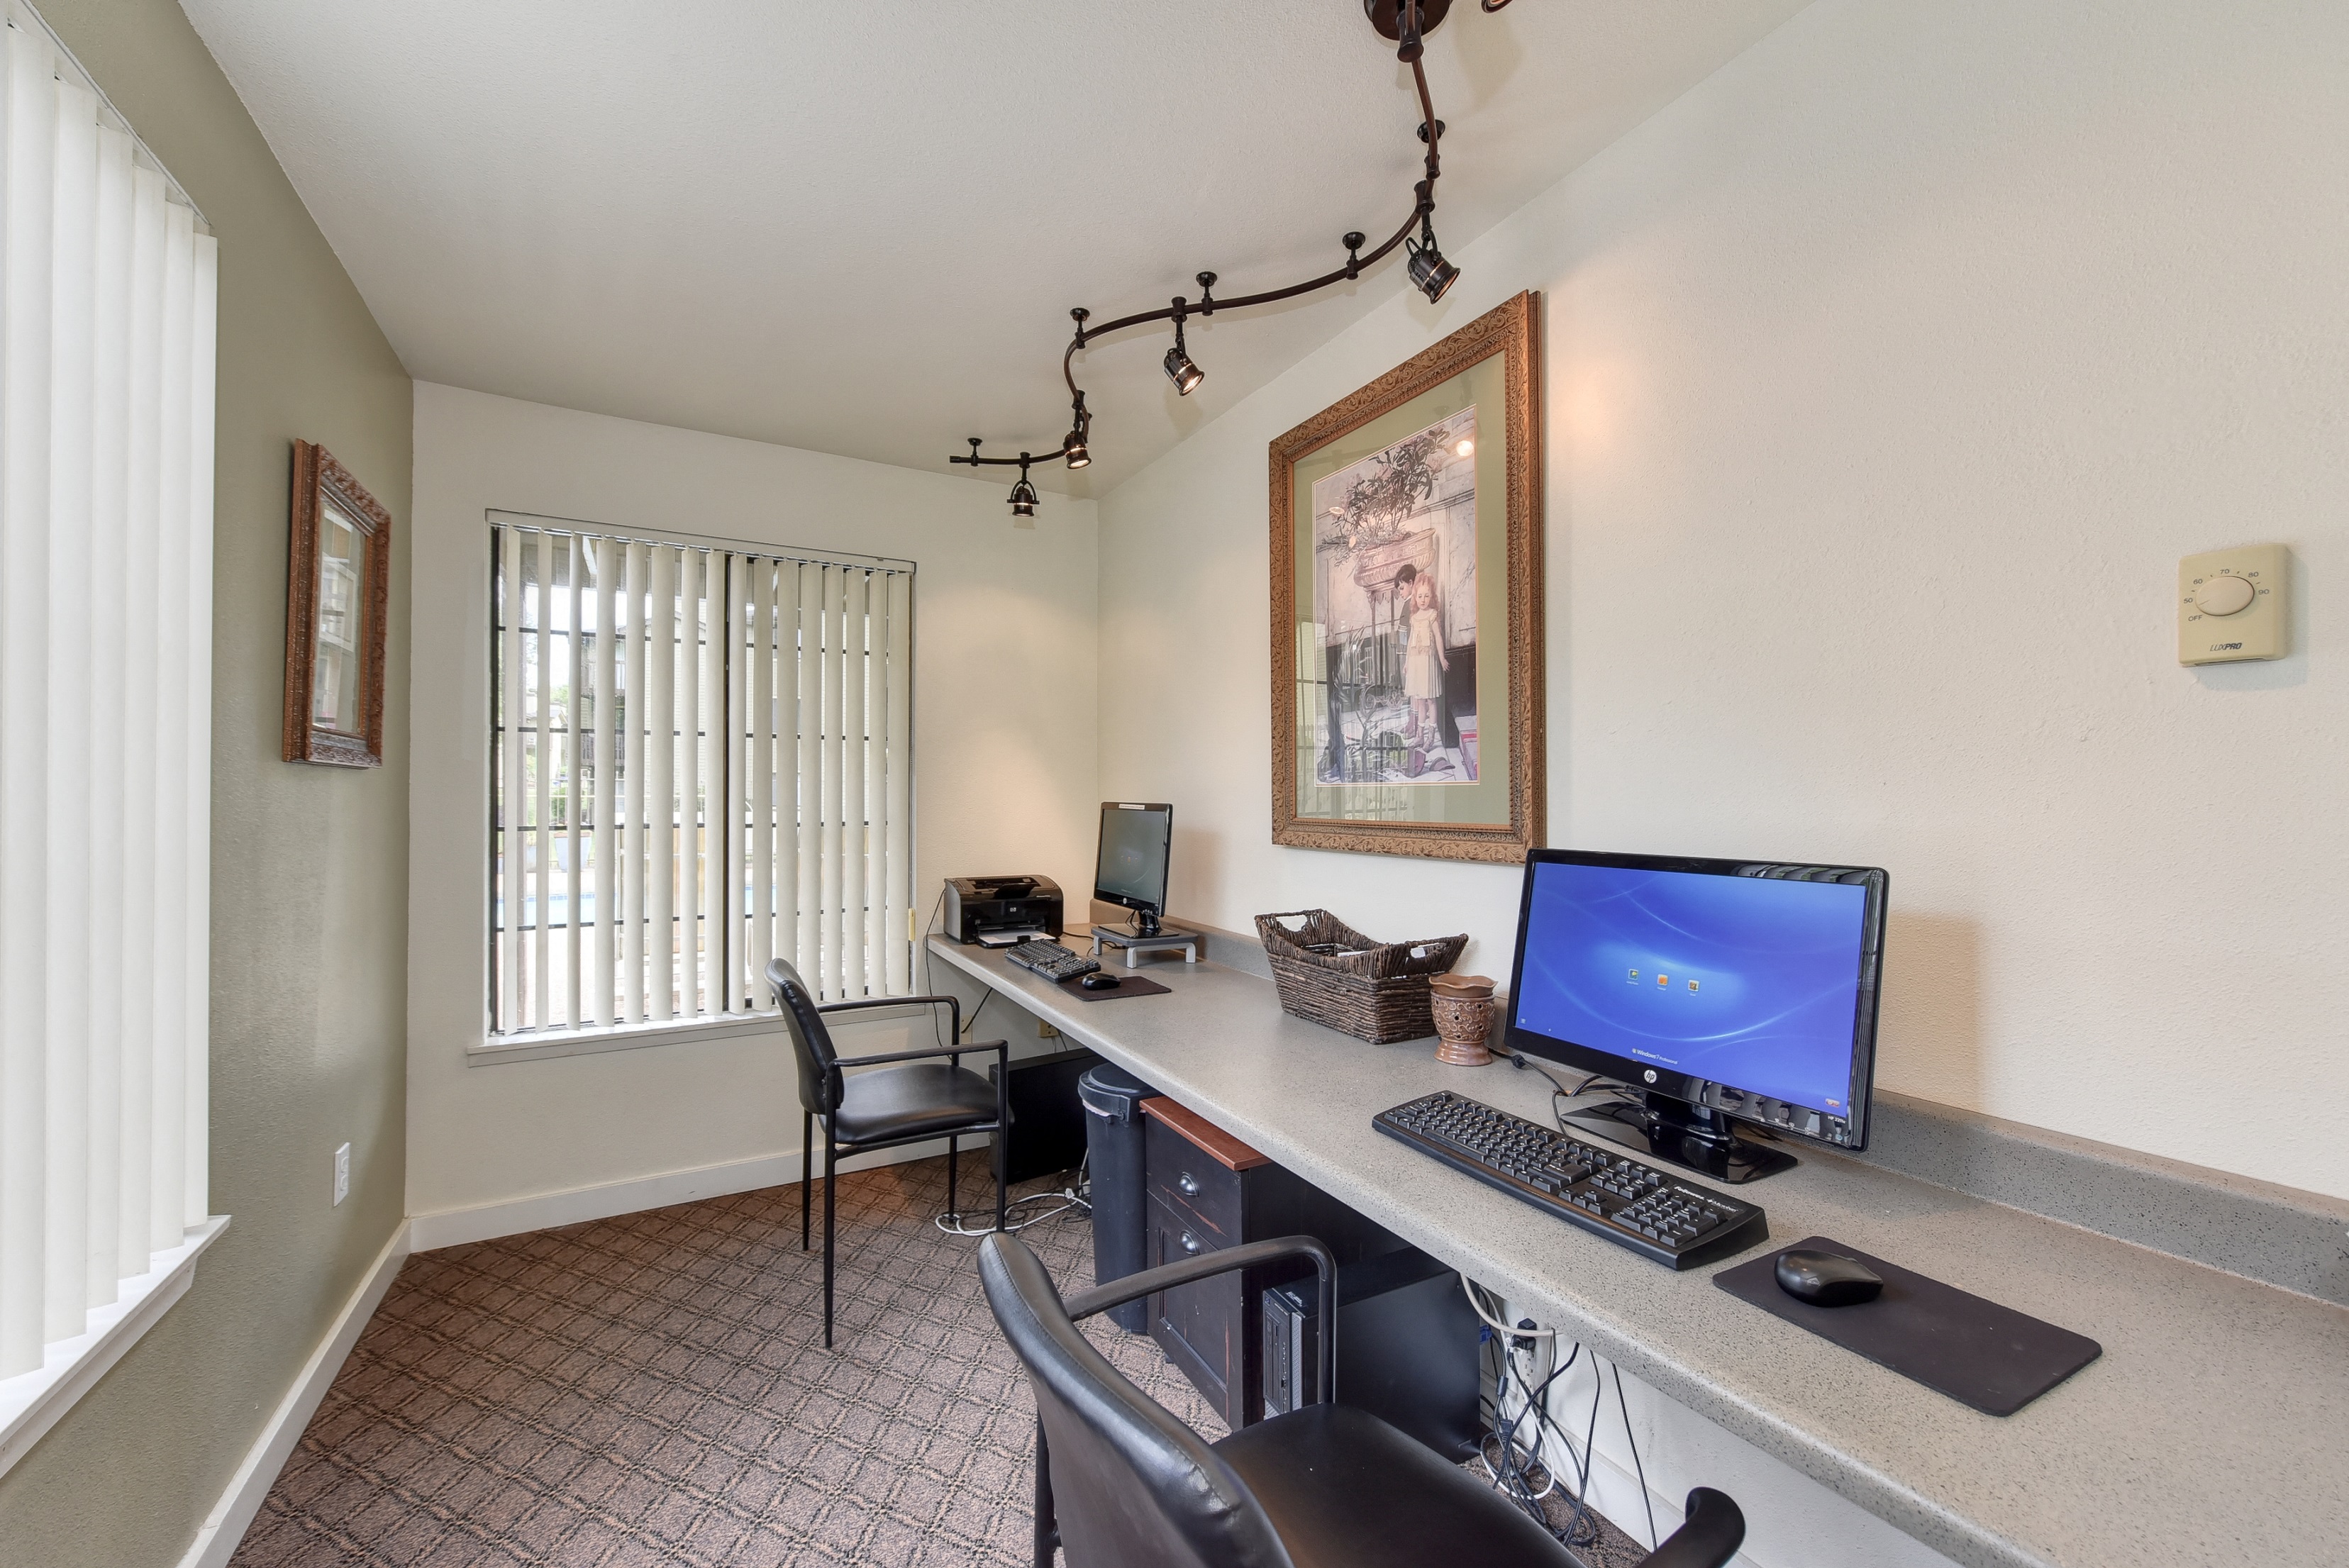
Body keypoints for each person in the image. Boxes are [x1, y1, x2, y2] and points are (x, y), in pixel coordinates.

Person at [1399, 566, 1448, 755]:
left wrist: (1442, 658)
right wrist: (1407, 663)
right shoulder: (1414, 618)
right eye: (1420, 596)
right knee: (1419, 699)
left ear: (1432, 596)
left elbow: (1438, 637)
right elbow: (1411, 641)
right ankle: (1419, 735)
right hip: (1417, 663)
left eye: (1427, 596)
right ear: (1415, 597)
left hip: (1429, 663)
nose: (1423, 600)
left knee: (1430, 700)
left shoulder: (1432, 615)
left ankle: (1430, 737)